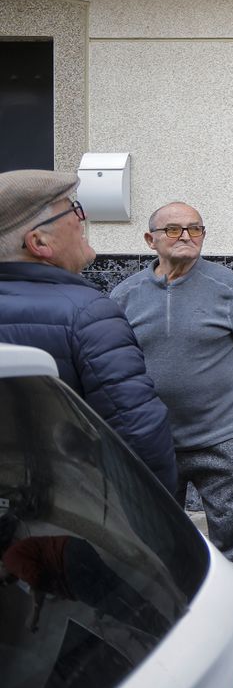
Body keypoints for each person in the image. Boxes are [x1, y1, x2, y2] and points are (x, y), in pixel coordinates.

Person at [111, 202, 233, 571]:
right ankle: (167, 620)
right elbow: (108, 362)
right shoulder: (125, 296)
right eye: (173, 229)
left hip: (225, 438)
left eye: (195, 228)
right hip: (152, 440)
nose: (186, 236)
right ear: (150, 239)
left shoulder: (230, 289)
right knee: (154, 543)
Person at [0, 169, 177, 496]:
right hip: (66, 520)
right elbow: (138, 437)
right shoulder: (87, 313)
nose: (83, 220)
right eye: (73, 210)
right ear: (39, 242)